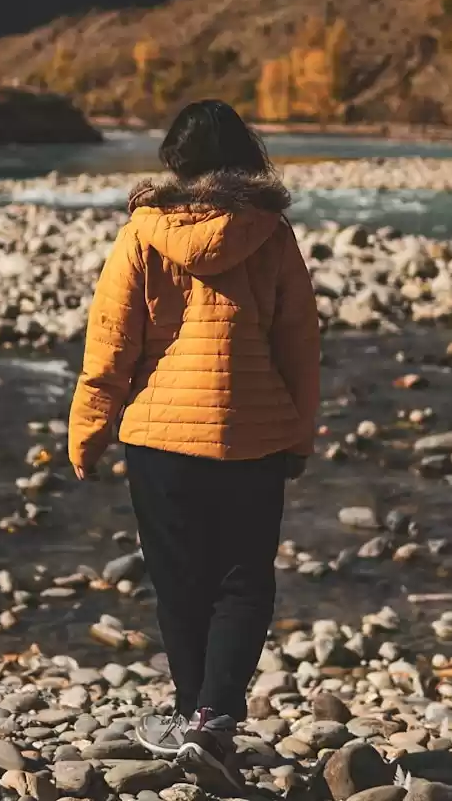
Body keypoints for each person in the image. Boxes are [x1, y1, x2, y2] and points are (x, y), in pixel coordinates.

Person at [68, 99, 320, 787]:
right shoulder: (271, 233)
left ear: (174, 161)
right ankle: (212, 720)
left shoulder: (142, 233)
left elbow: (110, 347)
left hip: (159, 437)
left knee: (179, 582)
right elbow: (299, 345)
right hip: (254, 434)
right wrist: (299, 434)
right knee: (242, 580)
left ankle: (193, 717)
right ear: (243, 156)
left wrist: (87, 431)